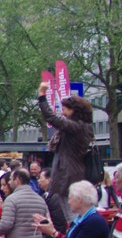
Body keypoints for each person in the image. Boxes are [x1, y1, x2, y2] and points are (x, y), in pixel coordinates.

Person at [36, 82, 94, 211]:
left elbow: (51, 118)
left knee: (71, 212)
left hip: (67, 174)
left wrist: (42, 96)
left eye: (65, 109)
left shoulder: (75, 126)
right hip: (73, 171)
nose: (62, 113)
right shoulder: (83, 126)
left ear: (73, 110)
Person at [33, 181, 109, 238]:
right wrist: (49, 229)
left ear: (79, 200)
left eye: (70, 198)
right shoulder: (81, 219)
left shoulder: (94, 221)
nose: (68, 202)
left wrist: (53, 233)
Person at [0, 169, 48, 238]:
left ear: (17, 180)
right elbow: (46, 222)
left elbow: (6, 224)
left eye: (11, 179)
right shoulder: (40, 199)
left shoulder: (11, 199)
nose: (9, 182)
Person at [38, 168, 68, 238]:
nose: (38, 180)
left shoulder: (55, 197)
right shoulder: (45, 195)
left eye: (40, 178)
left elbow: (58, 221)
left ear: (49, 180)